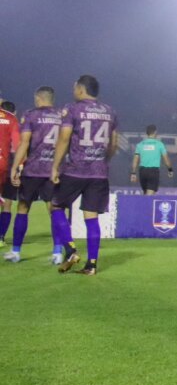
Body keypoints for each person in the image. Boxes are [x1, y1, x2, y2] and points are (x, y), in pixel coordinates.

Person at [51, 75, 120, 275]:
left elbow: (64, 138)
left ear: (81, 89)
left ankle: (71, 250)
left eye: (75, 87)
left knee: (56, 206)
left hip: (75, 169)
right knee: (91, 218)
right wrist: (103, 161)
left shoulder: (73, 109)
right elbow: (113, 144)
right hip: (98, 173)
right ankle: (91, 265)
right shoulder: (110, 111)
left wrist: (55, 166)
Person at [6, 88, 63, 264]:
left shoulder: (31, 115)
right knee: (54, 210)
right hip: (53, 170)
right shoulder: (62, 116)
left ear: (38, 98)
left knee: (23, 208)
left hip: (32, 170)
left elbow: (24, 143)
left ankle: (16, 252)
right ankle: (57, 253)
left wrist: (15, 167)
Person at [0, 101, 21, 252]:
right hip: (9, 166)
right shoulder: (12, 120)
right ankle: (0, 237)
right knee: (7, 204)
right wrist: (20, 168)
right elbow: (18, 146)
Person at [130, 125, 174, 194]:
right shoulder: (159, 144)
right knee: (149, 197)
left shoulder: (140, 145)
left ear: (146, 133)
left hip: (142, 172)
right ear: (155, 132)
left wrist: (133, 173)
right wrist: (170, 169)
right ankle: (145, 204)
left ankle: (144, 204)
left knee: (146, 193)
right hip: (153, 171)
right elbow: (166, 159)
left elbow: (135, 160)